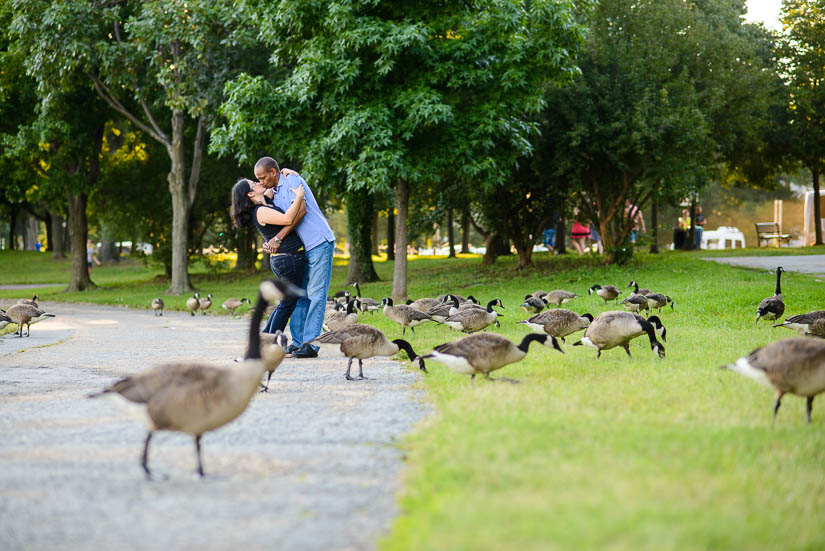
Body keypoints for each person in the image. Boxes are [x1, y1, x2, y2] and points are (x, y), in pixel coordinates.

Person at [255, 157, 335, 359]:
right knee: (301, 295)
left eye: (263, 177)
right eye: (258, 179)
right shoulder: (274, 190)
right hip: (301, 249)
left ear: (274, 172)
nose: (261, 181)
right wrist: (271, 240)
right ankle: (298, 343)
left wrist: (278, 238)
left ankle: (311, 345)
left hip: (318, 242)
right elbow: (274, 217)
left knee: (316, 295)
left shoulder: (291, 181)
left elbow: (300, 211)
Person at [230, 177, 307, 336]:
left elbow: (275, 180)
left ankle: (264, 337)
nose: (259, 183)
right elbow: (287, 219)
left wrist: (286, 171)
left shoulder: (265, 201)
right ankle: (268, 340)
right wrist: (299, 196)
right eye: (254, 183)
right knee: (287, 304)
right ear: (251, 194)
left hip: (285, 258)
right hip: (288, 259)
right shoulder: (261, 211)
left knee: (284, 303)